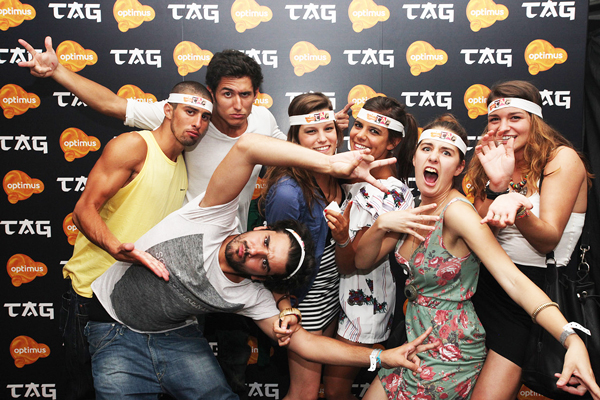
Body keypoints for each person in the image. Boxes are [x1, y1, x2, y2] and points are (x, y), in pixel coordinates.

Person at [18, 36, 352, 398]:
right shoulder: (184, 116)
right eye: (227, 95)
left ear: (256, 95)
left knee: (227, 371)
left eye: (246, 95)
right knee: (89, 383)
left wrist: (325, 132)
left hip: (224, 263)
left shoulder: (260, 120)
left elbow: (290, 147)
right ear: (210, 94)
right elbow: (113, 104)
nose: (237, 105)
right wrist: (58, 71)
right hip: (140, 270)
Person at [86, 133, 440, 400]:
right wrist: (329, 164)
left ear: (262, 278)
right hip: (114, 327)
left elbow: (307, 345)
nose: (255, 252)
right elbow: (247, 147)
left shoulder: (248, 295)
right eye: (266, 242)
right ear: (260, 229)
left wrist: (382, 357)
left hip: (173, 335)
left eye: (265, 264)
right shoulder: (212, 216)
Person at [352, 114, 600, 400]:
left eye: (446, 153)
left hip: (448, 352)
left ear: (459, 167)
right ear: (415, 158)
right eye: (427, 148)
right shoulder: (412, 210)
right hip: (411, 343)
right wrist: (381, 224)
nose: (433, 157)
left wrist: (571, 339)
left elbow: (514, 280)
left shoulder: (458, 213)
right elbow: (362, 262)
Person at [60, 82, 212, 399]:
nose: (197, 123)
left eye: (205, 117)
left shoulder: (183, 164)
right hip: (89, 296)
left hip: (135, 303)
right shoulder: (135, 146)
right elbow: (83, 210)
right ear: (168, 110)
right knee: (82, 393)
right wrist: (116, 249)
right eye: (190, 111)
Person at [464, 80, 594, 400]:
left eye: (515, 117)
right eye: (495, 119)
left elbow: (547, 240)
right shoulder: (490, 160)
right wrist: (497, 186)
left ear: (534, 120)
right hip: (486, 286)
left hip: (534, 294)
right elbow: (480, 235)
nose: (503, 127)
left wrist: (516, 206)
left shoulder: (561, 159)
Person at [323, 96, 419, 400]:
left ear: (393, 143)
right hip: (345, 299)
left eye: (374, 131)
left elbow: (353, 263)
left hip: (364, 307)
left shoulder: (388, 193)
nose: (360, 135)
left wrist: (342, 236)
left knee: (335, 391)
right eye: (358, 125)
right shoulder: (360, 176)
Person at [260, 92, 346, 400]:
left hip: (332, 296)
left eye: (328, 128)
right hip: (303, 302)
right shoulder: (287, 192)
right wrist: (288, 307)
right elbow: (274, 262)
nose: (323, 138)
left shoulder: (338, 172)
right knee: (305, 393)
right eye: (311, 131)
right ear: (295, 138)